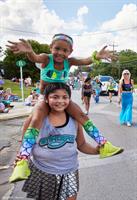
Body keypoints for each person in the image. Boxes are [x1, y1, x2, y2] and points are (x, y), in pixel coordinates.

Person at [7, 33, 123, 174]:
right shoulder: (46, 58)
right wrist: (30, 51)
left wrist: (96, 57)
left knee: (81, 115)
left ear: (70, 52)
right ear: (51, 48)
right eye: (57, 49)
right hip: (45, 98)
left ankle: (104, 144)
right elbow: (35, 58)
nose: (60, 53)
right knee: (35, 119)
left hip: (62, 98)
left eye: (65, 50)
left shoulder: (70, 62)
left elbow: (85, 61)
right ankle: (23, 159)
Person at [10, 83, 99, 199]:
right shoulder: (35, 119)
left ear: (69, 100)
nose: (60, 101)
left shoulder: (74, 120)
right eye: (55, 97)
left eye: (64, 97)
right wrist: (21, 158)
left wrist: (97, 150)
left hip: (70, 170)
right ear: (46, 99)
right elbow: (26, 145)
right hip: (43, 171)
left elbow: (81, 144)